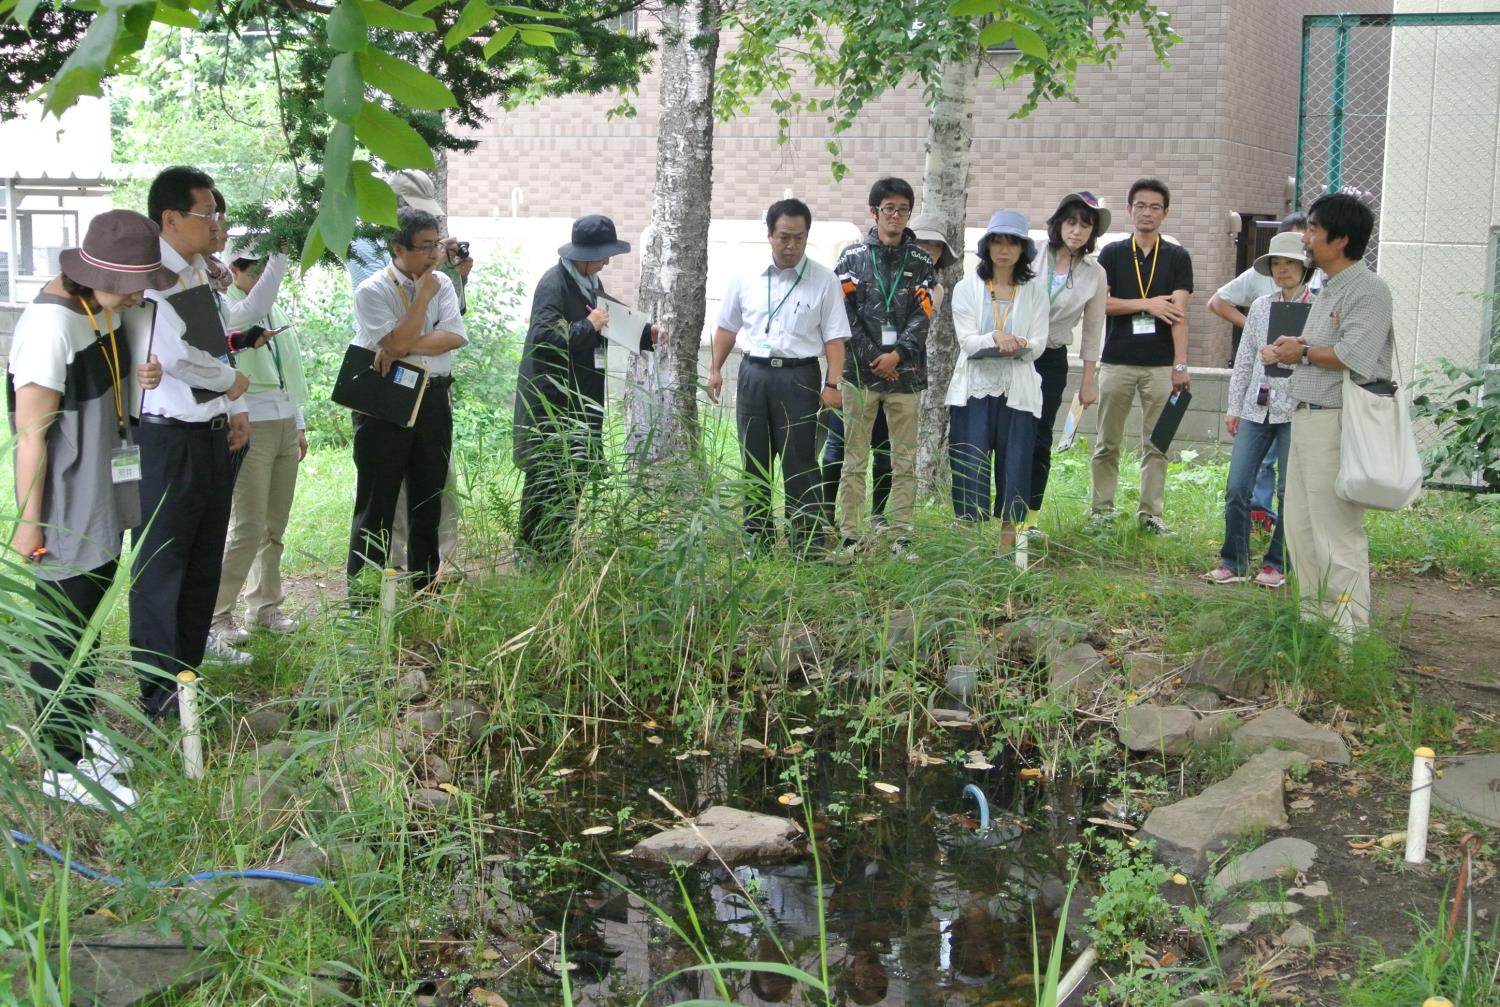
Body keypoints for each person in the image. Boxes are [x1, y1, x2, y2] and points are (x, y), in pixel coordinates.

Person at [8, 211, 171, 807]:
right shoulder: (49, 328)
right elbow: (31, 434)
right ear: (96, 271)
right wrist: (30, 524)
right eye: (132, 283)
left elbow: (113, 383)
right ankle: (61, 764)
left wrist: (141, 370)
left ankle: (78, 731)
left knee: (90, 624)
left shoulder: (102, 309)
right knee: (63, 632)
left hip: (103, 489)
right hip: (65, 503)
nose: (139, 294)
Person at [132, 166, 253, 719]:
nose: (215, 224)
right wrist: (231, 384)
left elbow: (215, 346)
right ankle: (158, 695)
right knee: (164, 566)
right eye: (207, 214)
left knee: (203, 561)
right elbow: (174, 357)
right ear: (171, 218)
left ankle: (188, 680)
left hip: (208, 432)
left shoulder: (196, 273)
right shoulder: (153, 275)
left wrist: (233, 407)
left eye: (216, 214)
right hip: (168, 439)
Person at [1263, 193, 1394, 639]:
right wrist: (1295, 348)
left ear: (1340, 240)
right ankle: (1314, 628)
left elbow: (1353, 354)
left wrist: (1300, 353)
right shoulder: (1328, 288)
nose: (1306, 237)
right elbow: (1319, 351)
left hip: (1336, 420)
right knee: (1300, 529)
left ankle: (1349, 639)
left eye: (1315, 229)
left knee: (1336, 532)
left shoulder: (1369, 290)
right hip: (1306, 418)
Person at [513, 214, 660, 558]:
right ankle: (531, 550)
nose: (608, 261)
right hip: (552, 399)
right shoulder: (554, 283)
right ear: (584, 253)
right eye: (604, 254)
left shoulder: (586, 280)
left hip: (579, 396)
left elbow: (608, 313)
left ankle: (559, 546)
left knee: (574, 472)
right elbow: (545, 336)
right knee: (546, 475)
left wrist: (645, 333)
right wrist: (587, 326)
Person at [707, 198, 849, 554]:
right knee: (753, 459)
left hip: (799, 377)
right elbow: (727, 326)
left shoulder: (824, 280)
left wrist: (833, 384)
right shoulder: (745, 277)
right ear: (769, 234)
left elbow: (835, 338)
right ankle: (758, 541)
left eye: (799, 238)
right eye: (784, 236)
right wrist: (714, 369)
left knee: (800, 460)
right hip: (754, 373)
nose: (791, 245)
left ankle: (808, 543)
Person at [349, 170, 472, 577]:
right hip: (385, 398)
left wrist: (402, 345)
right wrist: (420, 301)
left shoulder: (444, 284)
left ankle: (425, 587)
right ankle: (364, 598)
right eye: (425, 248)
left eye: (436, 246)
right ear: (398, 248)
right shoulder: (372, 290)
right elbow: (397, 342)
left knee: (428, 498)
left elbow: (453, 337)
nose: (434, 256)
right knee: (377, 502)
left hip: (433, 396)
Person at [206, 236, 310, 661]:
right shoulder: (227, 308)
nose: (258, 274)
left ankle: (265, 606)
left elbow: (287, 372)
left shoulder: (274, 306)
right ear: (232, 268)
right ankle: (215, 617)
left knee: (274, 525)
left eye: (263, 265)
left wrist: (299, 424)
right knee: (246, 526)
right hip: (252, 424)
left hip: (284, 422)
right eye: (250, 266)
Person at [1203, 231, 1313, 588]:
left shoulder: (1319, 306)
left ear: (1305, 265)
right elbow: (1246, 358)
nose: (1283, 270)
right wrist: (1234, 406)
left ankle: (1277, 563)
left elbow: (1321, 360)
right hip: (1255, 406)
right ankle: (1232, 561)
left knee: (1289, 491)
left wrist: (1286, 356)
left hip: (1298, 408)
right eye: (1276, 264)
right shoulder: (1262, 305)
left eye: (1290, 263)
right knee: (1237, 485)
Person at [834, 178, 935, 553]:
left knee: (904, 459)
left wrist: (898, 356)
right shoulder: (851, 258)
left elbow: (924, 314)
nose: (895, 215)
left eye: (903, 209)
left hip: (906, 376)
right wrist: (874, 357)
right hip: (861, 375)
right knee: (855, 456)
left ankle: (901, 533)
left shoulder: (921, 261)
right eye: (888, 208)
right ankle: (850, 533)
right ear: (873, 211)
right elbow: (843, 315)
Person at [1092, 178, 1193, 534]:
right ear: (1129, 209)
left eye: (1154, 207)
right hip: (1117, 360)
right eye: (1140, 205)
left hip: (1162, 366)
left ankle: (1151, 515)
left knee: (1158, 443)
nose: (1146, 212)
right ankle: (1101, 510)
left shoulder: (1177, 256)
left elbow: (1179, 313)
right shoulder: (1112, 253)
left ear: (1166, 213)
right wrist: (1147, 303)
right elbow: (1101, 304)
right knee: (1108, 441)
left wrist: (1180, 365)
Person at [947, 211, 1050, 550]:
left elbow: (1037, 344)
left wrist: (1014, 342)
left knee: (1016, 466)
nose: (1004, 249)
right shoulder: (966, 287)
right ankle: (969, 551)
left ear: (1023, 249)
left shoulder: (1034, 291)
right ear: (987, 246)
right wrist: (996, 336)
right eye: (997, 241)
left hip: (1017, 390)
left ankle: (1011, 550)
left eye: (1012, 243)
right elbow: (967, 342)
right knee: (970, 465)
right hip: (974, 389)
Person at [1029, 191, 1109, 515]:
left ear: (1092, 233)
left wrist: (1088, 383)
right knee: (1007, 433)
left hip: (1051, 359)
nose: (1076, 231)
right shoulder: (1032, 253)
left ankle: (1028, 517)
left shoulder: (1095, 273)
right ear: (1059, 222)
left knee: (1039, 437)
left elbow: (1092, 332)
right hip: (1015, 353)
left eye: (1085, 226)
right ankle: (1002, 515)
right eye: (1071, 222)